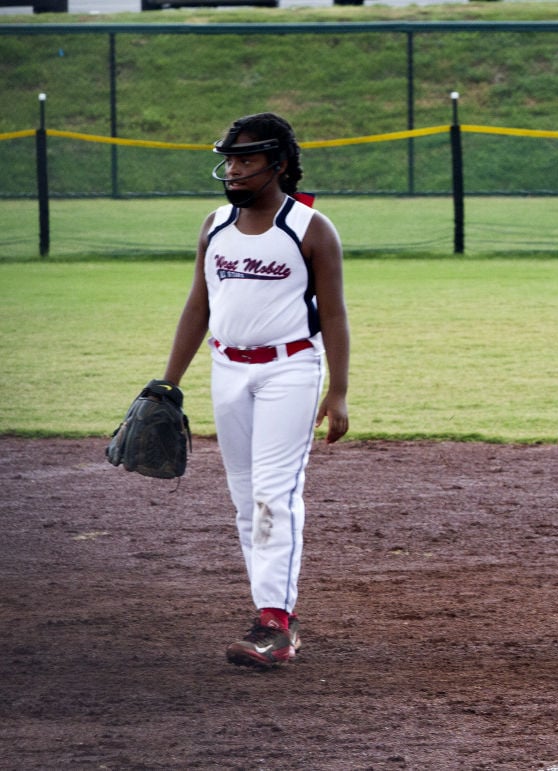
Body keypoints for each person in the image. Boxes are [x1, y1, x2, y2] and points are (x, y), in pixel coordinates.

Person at [162, 112, 350, 668]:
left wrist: (338, 391)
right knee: (246, 500)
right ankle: (268, 611)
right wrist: (167, 383)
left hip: (290, 370)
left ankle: (275, 623)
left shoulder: (310, 228)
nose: (235, 169)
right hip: (228, 370)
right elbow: (199, 304)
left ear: (280, 165)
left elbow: (335, 315)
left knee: (273, 493)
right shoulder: (215, 224)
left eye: (248, 159)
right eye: (232, 158)